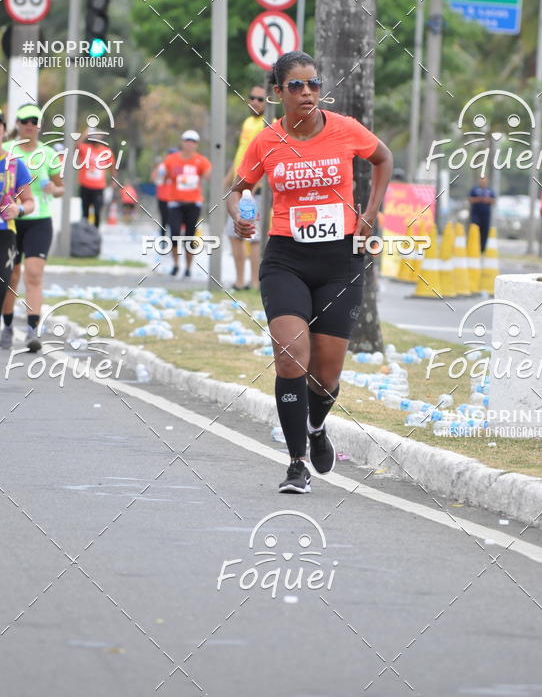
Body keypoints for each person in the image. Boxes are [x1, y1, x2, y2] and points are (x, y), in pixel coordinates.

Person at [227, 51, 392, 494]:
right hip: (286, 259)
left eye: (314, 84)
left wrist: (370, 213)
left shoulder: (345, 129)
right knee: (289, 356)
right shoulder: (266, 141)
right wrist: (239, 216)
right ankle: (296, 462)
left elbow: (383, 159)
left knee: (326, 375)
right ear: (278, 93)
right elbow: (239, 189)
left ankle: (317, 427)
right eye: (296, 86)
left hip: (340, 261)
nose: (307, 93)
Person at [0, 104, 65, 353]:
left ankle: (31, 330)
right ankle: (7, 326)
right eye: (25, 120)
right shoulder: (6, 150)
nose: (29, 125)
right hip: (10, 221)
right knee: (11, 276)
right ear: (17, 123)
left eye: (34, 121)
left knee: (34, 274)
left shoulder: (48, 154)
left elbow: (61, 188)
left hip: (39, 220)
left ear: (39, 125)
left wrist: (53, 189)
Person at [0, 106, 34, 384]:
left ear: (4, 131)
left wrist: (20, 209)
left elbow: (29, 202)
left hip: (1, 237)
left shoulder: (14, 165)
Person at [224, 85, 266, 289]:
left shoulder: (268, 124)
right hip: (239, 188)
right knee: (234, 234)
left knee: (253, 237)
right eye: (252, 97)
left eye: (260, 99)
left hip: (253, 191)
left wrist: (251, 188)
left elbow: (266, 159)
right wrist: (227, 179)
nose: (255, 102)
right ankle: (240, 281)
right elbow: (240, 153)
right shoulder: (248, 122)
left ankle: (254, 282)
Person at [157, 130, 212, 278]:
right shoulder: (171, 159)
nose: (190, 144)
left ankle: (188, 268)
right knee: (174, 234)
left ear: (197, 144)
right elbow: (161, 177)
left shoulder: (201, 160)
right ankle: (175, 265)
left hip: (193, 203)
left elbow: (209, 176)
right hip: (175, 202)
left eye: (193, 141)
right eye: (187, 140)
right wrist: (161, 175)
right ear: (182, 142)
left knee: (190, 236)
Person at [76, 127, 115, 227]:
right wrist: (85, 133)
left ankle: (95, 232)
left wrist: (113, 181)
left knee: (97, 212)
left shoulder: (107, 152)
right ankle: (85, 232)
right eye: (94, 136)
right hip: (85, 186)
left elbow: (112, 168)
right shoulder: (85, 148)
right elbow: (75, 145)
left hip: (98, 188)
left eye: (98, 136)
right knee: (85, 213)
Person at [468, 175, 496, 252]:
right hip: (476, 214)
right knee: (475, 229)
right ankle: (472, 246)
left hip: (486, 214)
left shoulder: (490, 191)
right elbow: (470, 199)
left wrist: (487, 200)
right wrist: (479, 199)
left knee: (485, 231)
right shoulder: (475, 190)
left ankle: (482, 249)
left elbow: (494, 201)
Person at [152, 148, 177, 233]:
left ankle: (172, 237)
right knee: (164, 220)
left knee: (173, 220)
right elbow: (155, 179)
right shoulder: (162, 166)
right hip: (163, 197)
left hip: (174, 198)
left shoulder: (178, 166)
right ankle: (163, 237)